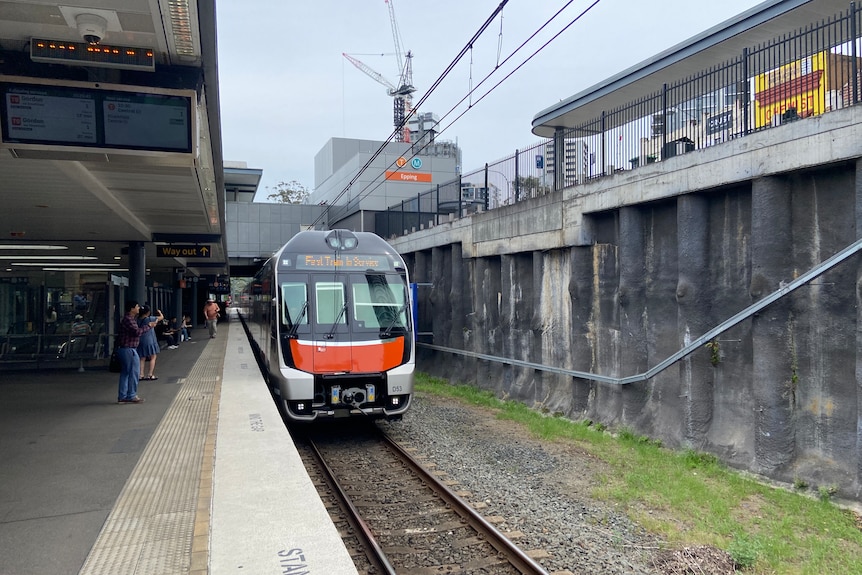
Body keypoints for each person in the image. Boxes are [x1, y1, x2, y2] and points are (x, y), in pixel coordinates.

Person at [117, 300, 156, 404]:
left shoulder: (128, 319)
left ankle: (122, 396)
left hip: (125, 349)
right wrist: (149, 326)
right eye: (137, 306)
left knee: (125, 373)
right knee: (134, 372)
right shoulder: (129, 319)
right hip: (129, 349)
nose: (139, 308)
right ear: (132, 309)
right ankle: (131, 395)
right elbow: (137, 332)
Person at [137, 305, 163, 380]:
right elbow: (161, 318)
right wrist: (159, 312)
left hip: (140, 340)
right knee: (153, 357)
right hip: (150, 340)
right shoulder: (150, 319)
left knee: (142, 358)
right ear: (148, 312)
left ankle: (141, 375)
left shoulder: (137, 319)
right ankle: (150, 374)